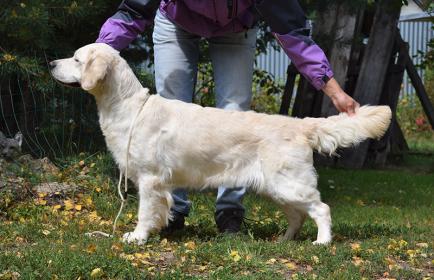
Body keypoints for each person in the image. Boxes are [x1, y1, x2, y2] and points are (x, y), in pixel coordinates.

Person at [96, 0, 360, 234]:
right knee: (169, 111)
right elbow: (132, 11)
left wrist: (334, 91)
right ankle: (173, 211)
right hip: (176, 21)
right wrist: (93, 57)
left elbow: (294, 35)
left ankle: (229, 212)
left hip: (236, 28)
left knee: (235, 115)